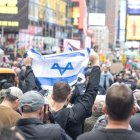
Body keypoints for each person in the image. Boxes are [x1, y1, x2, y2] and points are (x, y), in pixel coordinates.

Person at [23, 52, 101, 140]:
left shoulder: (42, 113)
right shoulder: (76, 114)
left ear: (52, 96)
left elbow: (32, 93)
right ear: (69, 96)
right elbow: (91, 92)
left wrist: (29, 67)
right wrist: (95, 63)